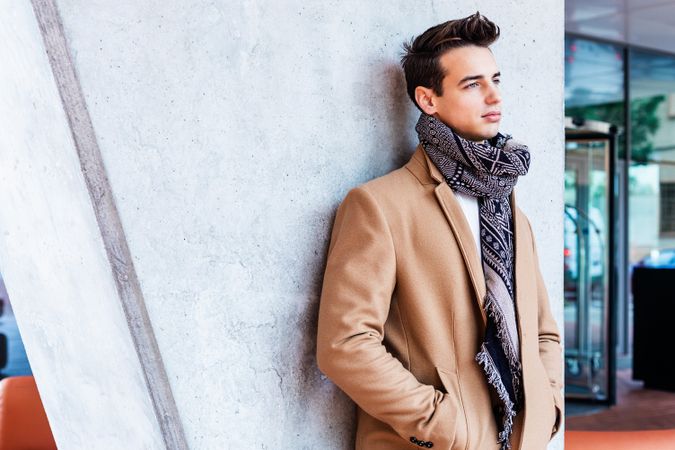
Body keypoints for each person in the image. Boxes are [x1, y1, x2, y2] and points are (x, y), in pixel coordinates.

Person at [316, 11, 563, 450]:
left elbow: (542, 330)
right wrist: (443, 423)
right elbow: (346, 344)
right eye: (473, 84)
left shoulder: (509, 206)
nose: (494, 96)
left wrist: (549, 408)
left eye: (496, 79)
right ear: (428, 100)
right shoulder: (379, 205)